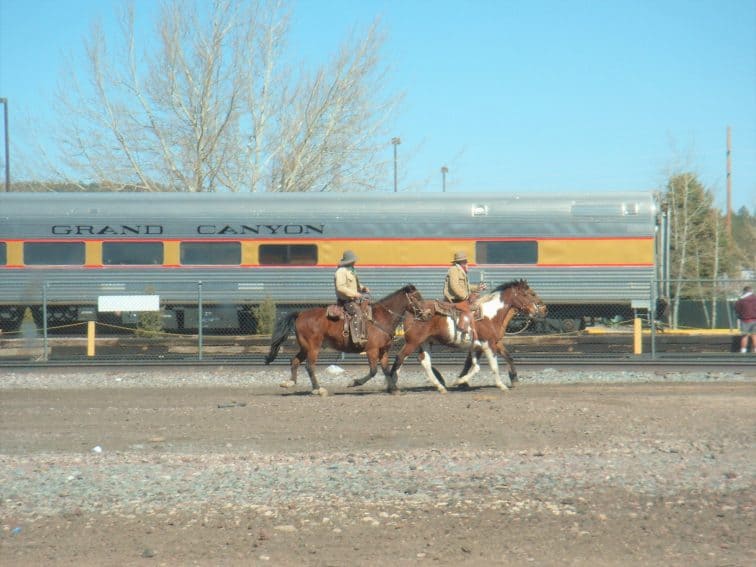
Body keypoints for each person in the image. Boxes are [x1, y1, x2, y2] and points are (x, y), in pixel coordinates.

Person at [443, 251, 486, 339]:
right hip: (454, 299)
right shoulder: (454, 270)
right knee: (468, 308)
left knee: (476, 304)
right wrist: (466, 296)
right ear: (461, 262)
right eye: (465, 261)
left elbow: (466, 286)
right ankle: (463, 331)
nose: (467, 263)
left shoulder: (461, 271)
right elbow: (454, 286)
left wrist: (478, 287)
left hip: (460, 298)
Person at [334, 250, 370, 347]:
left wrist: (362, 288)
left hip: (354, 298)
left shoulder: (351, 270)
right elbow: (340, 287)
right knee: (357, 312)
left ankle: (366, 333)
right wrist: (355, 294)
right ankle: (357, 339)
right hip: (346, 300)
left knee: (368, 308)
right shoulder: (341, 271)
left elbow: (354, 285)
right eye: (353, 260)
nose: (355, 262)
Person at [734, 285, 756, 353]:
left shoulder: (741, 300)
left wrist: (740, 315)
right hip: (755, 320)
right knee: (754, 335)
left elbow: (737, 309)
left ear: (744, 291)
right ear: (751, 291)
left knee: (744, 336)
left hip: (745, 320)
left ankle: (743, 351)